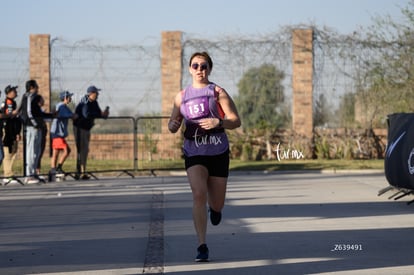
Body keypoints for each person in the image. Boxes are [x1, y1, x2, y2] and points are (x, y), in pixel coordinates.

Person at [168, 52, 241, 262]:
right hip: (194, 152)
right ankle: (202, 245)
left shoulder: (217, 92)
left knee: (217, 204)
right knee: (198, 194)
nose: (200, 70)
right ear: (189, 69)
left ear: (209, 68)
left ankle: (215, 209)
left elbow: (236, 120)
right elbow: (174, 123)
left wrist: (219, 122)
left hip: (218, 151)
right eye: (196, 66)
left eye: (204, 66)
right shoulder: (181, 96)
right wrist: (172, 126)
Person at [19, 80, 54, 184]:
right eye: (36, 86)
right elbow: (29, 113)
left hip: (37, 128)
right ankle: (29, 175)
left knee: (37, 152)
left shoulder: (34, 99)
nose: (38, 88)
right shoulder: (29, 97)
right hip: (32, 128)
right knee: (31, 152)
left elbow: (39, 113)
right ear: (31, 87)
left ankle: (34, 173)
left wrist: (52, 115)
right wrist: (35, 124)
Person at [73, 85, 109, 180]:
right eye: (96, 93)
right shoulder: (85, 101)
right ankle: (80, 172)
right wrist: (99, 114)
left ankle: (82, 171)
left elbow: (98, 114)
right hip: (80, 128)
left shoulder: (94, 102)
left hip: (87, 128)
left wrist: (104, 114)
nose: (98, 95)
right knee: (82, 150)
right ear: (91, 93)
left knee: (85, 150)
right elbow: (86, 114)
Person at [50, 91, 76, 177]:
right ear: (65, 98)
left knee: (56, 151)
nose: (70, 98)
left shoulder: (63, 106)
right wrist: (74, 116)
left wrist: (73, 115)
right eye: (69, 97)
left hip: (57, 133)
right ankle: (58, 168)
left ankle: (53, 170)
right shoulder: (61, 107)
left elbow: (70, 114)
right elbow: (70, 115)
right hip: (57, 132)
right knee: (66, 150)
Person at [1, 85, 21, 185]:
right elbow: (6, 115)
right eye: (14, 91)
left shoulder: (13, 102)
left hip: (13, 131)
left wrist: (17, 132)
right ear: (9, 93)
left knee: (14, 151)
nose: (16, 92)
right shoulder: (7, 103)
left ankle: (10, 172)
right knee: (7, 153)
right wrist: (12, 114)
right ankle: (7, 175)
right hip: (7, 131)